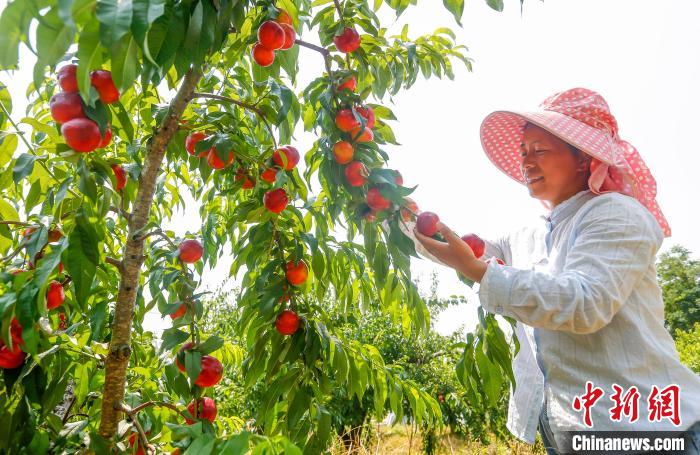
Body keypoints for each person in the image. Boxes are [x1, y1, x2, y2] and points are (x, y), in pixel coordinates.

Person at [411, 88, 700, 454]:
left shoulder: (616, 214)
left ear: (584, 159)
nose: (527, 163)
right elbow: (467, 251)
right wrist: (405, 222)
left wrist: (479, 271)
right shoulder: (533, 232)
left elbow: (585, 303)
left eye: (540, 150)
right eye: (524, 152)